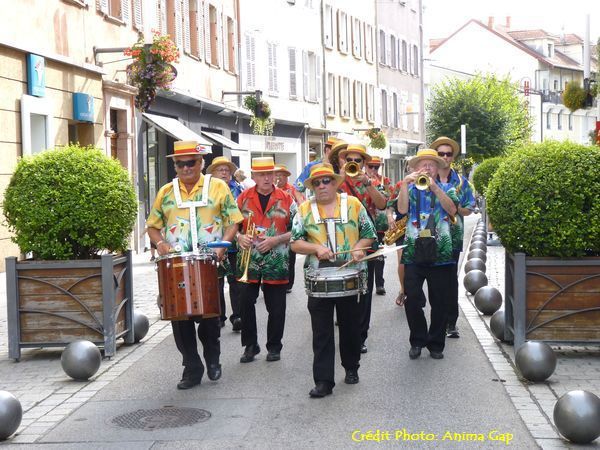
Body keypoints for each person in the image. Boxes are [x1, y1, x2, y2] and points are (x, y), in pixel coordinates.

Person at [147, 140, 243, 389]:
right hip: (176, 265)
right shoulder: (165, 192)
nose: (186, 167)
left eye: (191, 162)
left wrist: (223, 246)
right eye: (180, 163)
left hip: (208, 262)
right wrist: (160, 245)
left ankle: (213, 359)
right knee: (180, 319)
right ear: (175, 166)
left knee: (210, 316)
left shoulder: (219, 187)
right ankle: (191, 366)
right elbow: (153, 226)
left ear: (201, 163)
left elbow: (234, 220)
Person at [290, 163, 376, 398]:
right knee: (321, 332)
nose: (321, 186)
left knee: (350, 327)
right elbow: (295, 242)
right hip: (318, 279)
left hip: (351, 275)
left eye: (326, 181)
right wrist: (315, 247)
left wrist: (359, 248)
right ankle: (324, 381)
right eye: (316, 183)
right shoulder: (304, 210)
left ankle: (351, 367)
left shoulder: (353, 204)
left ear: (336, 183)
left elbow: (370, 234)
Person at [397, 148, 458, 360]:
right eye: (423, 164)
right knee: (412, 299)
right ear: (415, 168)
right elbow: (402, 210)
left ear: (437, 168)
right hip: (414, 251)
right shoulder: (410, 189)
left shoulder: (448, 188)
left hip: (440, 253)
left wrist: (435, 189)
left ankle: (436, 344)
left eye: (431, 164)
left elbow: (452, 210)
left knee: (439, 302)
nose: (427, 168)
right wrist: (404, 184)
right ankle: (417, 339)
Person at [235, 157, 296, 363]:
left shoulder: (287, 198)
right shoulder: (242, 197)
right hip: (248, 259)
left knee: (276, 307)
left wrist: (276, 240)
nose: (267, 178)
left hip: (276, 260)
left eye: (270, 173)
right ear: (253, 176)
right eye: (261, 174)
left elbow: (298, 230)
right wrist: (239, 236)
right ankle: (250, 346)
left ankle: (274, 346)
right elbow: (231, 226)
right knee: (244, 303)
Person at [337, 144, 387, 354]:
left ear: (364, 164)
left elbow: (383, 204)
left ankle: (360, 335)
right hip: (342, 244)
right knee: (343, 290)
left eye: (358, 161)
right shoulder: (338, 181)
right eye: (350, 160)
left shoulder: (373, 181)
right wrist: (340, 176)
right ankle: (347, 333)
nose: (354, 163)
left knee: (364, 291)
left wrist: (368, 184)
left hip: (367, 242)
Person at [430, 136, 476, 338]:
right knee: (432, 282)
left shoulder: (462, 182)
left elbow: (468, 209)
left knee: (450, 280)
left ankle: (451, 322)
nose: (445, 157)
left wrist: (457, 207)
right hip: (429, 237)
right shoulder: (426, 179)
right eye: (441, 154)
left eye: (449, 154)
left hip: (452, 237)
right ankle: (436, 322)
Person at [206, 156, 245, 332]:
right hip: (214, 243)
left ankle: (237, 315)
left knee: (235, 281)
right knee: (217, 281)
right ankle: (219, 316)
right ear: (213, 173)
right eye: (220, 170)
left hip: (234, 243)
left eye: (227, 170)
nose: (225, 173)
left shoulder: (239, 190)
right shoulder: (207, 191)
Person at [365, 156, 393, 296]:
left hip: (380, 224)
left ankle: (380, 284)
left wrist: (389, 216)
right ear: (365, 166)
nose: (374, 169)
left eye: (376, 167)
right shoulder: (360, 180)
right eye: (371, 166)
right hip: (366, 224)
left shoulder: (385, 180)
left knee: (379, 254)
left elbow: (389, 201)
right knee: (369, 255)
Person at [274, 164, 304, 294]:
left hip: (289, 227)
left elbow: (301, 207)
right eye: (276, 174)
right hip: (274, 228)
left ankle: (288, 284)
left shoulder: (292, 190)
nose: (278, 177)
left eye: (281, 174)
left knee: (290, 258)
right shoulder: (270, 189)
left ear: (286, 177)